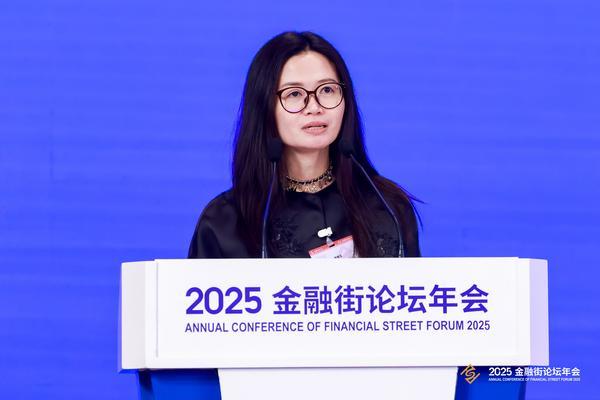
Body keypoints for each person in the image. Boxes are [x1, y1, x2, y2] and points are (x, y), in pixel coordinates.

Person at [138, 31, 523, 400]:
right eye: (294, 94)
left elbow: (422, 326)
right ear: (264, 108)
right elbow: (192, 348)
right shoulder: (226, 220)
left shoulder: (386, 205)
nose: (314, 106)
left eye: (327, 90)